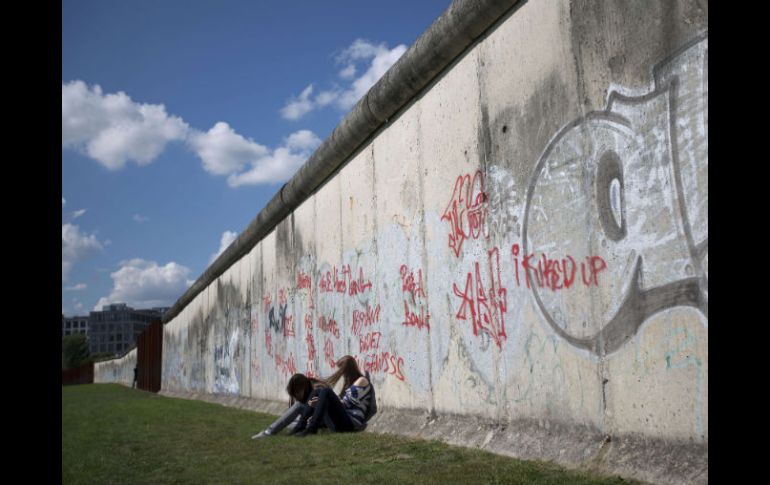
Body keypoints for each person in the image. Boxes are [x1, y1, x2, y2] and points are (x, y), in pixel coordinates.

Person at [293, 355, 373, 437]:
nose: (343, 375)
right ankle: (301, 425)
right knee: (317, 391)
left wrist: (322, 402)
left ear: (348, 370)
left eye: (342, 372)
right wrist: (321, 402)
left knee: (326, 391)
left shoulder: (362, 381)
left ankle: (312, 428)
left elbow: (346, 405)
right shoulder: (350, 385)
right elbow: (342, 404)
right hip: (341, 423)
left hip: (351, 424)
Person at [251, 373, 328, 439]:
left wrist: (313, 408)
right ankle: (270, 431)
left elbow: (323, 408)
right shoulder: (303, 391)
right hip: (310, 419)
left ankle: (268, 432)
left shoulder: (318, 388)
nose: (296, 396)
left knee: (298, 406)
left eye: (297, 392)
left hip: (323, 419)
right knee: (289, 424)